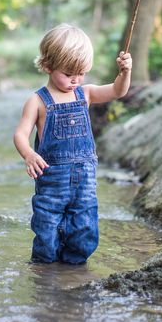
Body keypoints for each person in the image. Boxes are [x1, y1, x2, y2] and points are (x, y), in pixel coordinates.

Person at [13, 23, 132, 264]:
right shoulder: (37, 101)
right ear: (47, 66)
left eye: (81, 73)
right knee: (47, 229)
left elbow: (117, 92)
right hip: (51, 180)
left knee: (84, 228)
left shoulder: (85, 93)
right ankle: (45, 275)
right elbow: (20, 134)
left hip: (85, 180)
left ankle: (74, 274)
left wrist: (125, 72)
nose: (75, 80)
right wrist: (28, 154)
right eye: (68, 74)